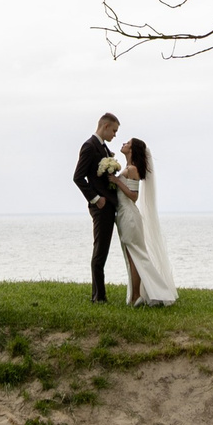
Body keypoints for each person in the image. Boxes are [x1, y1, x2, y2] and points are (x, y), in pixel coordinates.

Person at [108, 137, 179, 306]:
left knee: (137, 255)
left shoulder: (132, 169)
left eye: (127, 144)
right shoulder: (127, 168)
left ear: (132, 150)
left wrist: (117, 181)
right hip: (124, 215)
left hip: (129, 216)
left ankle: (141, 295)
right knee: (133, 256)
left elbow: (134, 196)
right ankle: (138, 294)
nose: (123, 144)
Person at [72, 113, 124, 304]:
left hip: (109, 204)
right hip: (101, 206)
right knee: (100, 250)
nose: (115, 135)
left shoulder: (103, 147)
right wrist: (96, 199)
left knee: (103, 250)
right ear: (105, 126)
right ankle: (99, 297)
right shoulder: (89, 146)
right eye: (114, 130)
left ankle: (98, 295)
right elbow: (78, 177)